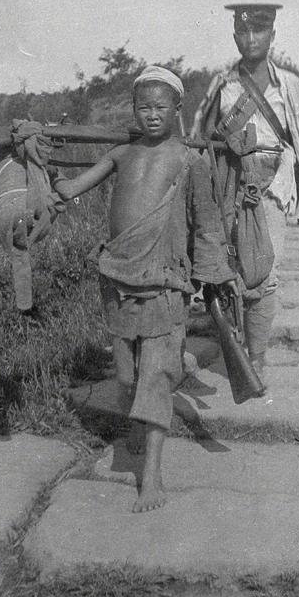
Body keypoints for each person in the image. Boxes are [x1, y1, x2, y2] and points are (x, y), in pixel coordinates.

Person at [53, 65, 236, 513]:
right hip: (116, 277)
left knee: (154, 377)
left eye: (160, 107)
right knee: (127, 376)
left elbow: (208, 226)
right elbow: (71, 188)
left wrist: (216, 276)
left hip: (163, 280)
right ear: (134, 111)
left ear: (178, 110)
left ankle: (151, 476)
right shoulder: (121, 154)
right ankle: (143, 411)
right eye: (143, 107)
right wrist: (42, 165)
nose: (151, 115)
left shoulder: (189, 162)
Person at [190, 3, 299, 378]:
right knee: (229, 269)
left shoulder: (292, 87)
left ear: (273, 36)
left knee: (264, 274)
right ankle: (234, 342)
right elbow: (202, 138)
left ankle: (256, 359)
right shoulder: (223, 84)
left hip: (271, 190)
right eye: (243, 32)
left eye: (259, 31)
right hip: (228, 186)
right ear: (235, 36)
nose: (251, 39)